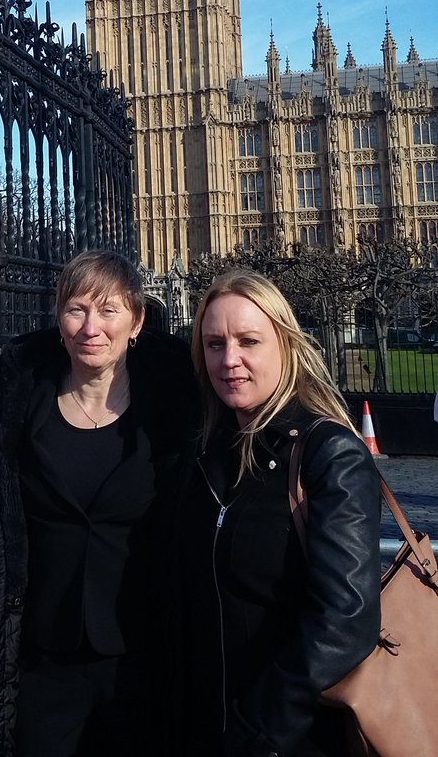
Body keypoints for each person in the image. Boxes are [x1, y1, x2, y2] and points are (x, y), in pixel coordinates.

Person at [0, 249, 200, 757]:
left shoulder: (175, 401)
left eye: (108, 310)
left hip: (142, 651)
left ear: (137, 321)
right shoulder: (20, 397)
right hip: (44, 654)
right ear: (58, 318)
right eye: (76, 309)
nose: (91, 326)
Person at [174, 269, 381, 757]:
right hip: (204, 727)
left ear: (286, 345)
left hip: (289, 737)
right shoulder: (205, 451)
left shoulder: (328, 453)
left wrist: (258, 730)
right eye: (213, 344)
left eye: (249, 341)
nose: (230, 360)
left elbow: (345, 618)